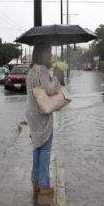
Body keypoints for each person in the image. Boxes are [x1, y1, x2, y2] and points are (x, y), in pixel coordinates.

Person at [26, 42, 61, 195]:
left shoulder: (31, 70)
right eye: (47, 52)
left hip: (32, 114)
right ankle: (44, 185)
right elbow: (50, 89)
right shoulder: (43, 69)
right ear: (40, 54)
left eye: (51, 52)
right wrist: (56, 77)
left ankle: (36, 183)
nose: (50, 55)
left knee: (37, 148)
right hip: (42, 114)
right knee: (45, 149)